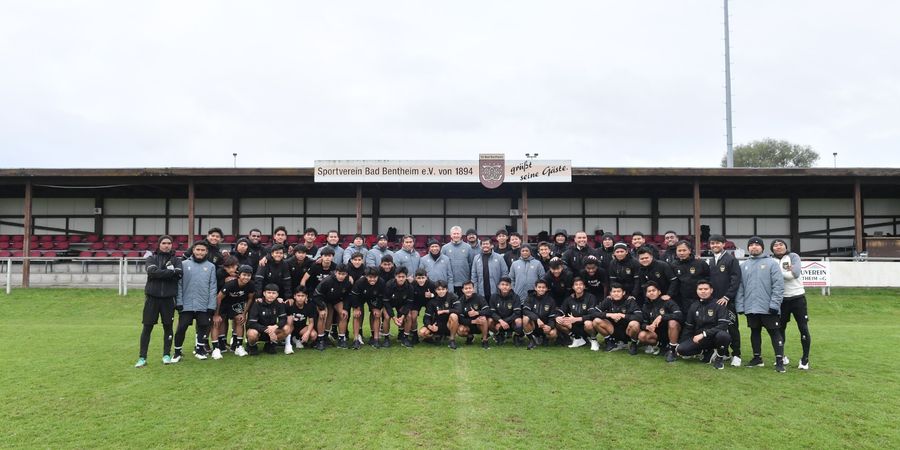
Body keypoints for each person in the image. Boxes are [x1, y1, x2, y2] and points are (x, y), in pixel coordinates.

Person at [736, 236, 786, 373]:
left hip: (768, 307)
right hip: (751, 307)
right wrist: (740, 306)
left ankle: (779, 360)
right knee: (754, 332)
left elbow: (779, 286)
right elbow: (740, 287)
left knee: (774, 332)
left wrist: (775, 304)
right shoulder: (744, 265)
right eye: (751, 245)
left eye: (757, 245)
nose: (754, 247)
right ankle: (757, 358)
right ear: (748, 248)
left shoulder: (772, 263)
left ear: (762, 248)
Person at [136, 235, 183, 368]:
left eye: (169, 243)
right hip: (152, 298)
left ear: (172, 245)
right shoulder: (151, 258)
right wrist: (170, 272)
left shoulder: (176, 259)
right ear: (159, 244)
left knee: (168, 327)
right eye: (164, 243)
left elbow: (179, 274)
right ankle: (142, 357)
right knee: (147, 327)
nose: (166, 245)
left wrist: (160, 272)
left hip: (168, 300)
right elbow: (151, 272)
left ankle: (166, 355)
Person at [172, 241, 218, 362]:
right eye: (198, 250)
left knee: (203, 327)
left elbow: (213, 287)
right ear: (193, 250)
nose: (200, 252)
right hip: (186, 304)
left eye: (203, 250)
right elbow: (179, 285)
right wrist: (179, 302)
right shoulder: (183, 264)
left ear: (206, 252)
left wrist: (211, 305)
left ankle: (200, 350)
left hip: (203, 305)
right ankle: (177, 352)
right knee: (181, 328)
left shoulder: (211, 266)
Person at [771, 239, 811, 370]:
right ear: (772, 249)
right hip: (781, 300)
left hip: (797, 298)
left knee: (803, 328)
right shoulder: (770, 260)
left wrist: (776, 274)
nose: (778, 247)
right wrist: (786, 273)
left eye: (781, 244)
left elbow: (795, 274)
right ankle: (781, 357)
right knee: (780, 329)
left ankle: (805, 359)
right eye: (775, 245)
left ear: (785, 246)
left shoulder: (793, 256)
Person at [676, 280, 732, 370]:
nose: (703, 291)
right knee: (681, 350)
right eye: (700, 289)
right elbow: (688, 327)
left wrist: (704, 334)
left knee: (723, 335)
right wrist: (680, 343)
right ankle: (707, 352)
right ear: (697, 291)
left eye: (706, 289)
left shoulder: (719, 304)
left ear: (711, 290)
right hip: (700, 339)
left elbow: (723, 325)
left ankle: (719, 357)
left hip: (715, 337)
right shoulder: (694, 306)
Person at [708, 234, 743, 366]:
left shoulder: (731, 260)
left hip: (728, 301)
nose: (714, 245)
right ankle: (724, 353)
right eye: (712, 243)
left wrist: (727, 296)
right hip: (715, 301)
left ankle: (737, 354)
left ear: (724, 244)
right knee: (718, 327)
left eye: (717, 243)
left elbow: (736, 280)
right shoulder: (711, 260)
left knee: (732, 327)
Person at [631, 281, 682, 362]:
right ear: (646, 294)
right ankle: (661, 347)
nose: (651, 293)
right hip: (657, 334)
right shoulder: (645, 306)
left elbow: (679, 315)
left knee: (673, 322)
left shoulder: (668, 301)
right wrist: (647, 326)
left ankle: (672, 350)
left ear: (659, 292)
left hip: (670, 331)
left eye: (654, 290)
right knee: (642, 335)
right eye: (649, 291)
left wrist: (662, 317)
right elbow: (642, 323)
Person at [212, 264, 254, 359]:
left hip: (235, 304)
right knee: (217, 322)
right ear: (239, 275)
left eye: (248, 275)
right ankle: (216, 349)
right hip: (223, 303)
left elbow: (250, 299)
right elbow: (219, 297)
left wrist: (244, 313)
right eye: (244, 275)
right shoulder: (231, 284)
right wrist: (216, 314)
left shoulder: (251, 284)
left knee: (240, 320)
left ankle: (238, 346)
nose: (246, 277)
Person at [311, 264, 353, 350]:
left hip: (336, 300)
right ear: (336, 272)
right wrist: (321, 308)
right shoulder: (327, 281)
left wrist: (345, 308)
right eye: (339, 273)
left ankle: (341, 339)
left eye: (343, 274)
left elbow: (348, 296)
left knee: (344, 314)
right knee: (323, 315)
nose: (341, 276)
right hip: (322, 300)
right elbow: (316, 295)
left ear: (346, 274)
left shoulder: (348, 282)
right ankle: (320, 339)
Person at [592, 283, 642, 352]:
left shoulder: (630, 301)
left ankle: (633, 343)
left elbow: (639, 317)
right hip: (612, 329)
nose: (616, 294)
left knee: (635, 324)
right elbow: (593, 313)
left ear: (623, 292)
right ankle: (609, 341)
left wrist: (623, 315)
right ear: (610, 293)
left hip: (628, 331)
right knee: (596, 321)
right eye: (614, 291)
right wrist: (609, 315)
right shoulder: (608, 300)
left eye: (618, 291)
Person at [556, 278, 600, 350]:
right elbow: (560, 311)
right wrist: (557, 317)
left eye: (580, 284)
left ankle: (594, 340)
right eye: (576, 285)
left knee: (588, 323)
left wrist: (576, 319)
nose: (578, 286)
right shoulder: (569, 299)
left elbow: (593, 315)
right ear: (573, 287)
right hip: (574, 326)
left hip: (587, 325)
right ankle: (577, 339)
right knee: (559, 322)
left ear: (584, 286)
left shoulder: (591, 297)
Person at [246, 284, 289, 355]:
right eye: (269, 293)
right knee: (252, 333)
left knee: (287, 328)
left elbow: (283, 319)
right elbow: (251, 323)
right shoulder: (257, 303)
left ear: (277, 294)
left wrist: (275, 327)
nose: (271, 295)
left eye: (273, 293)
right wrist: (268, 330)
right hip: (259, 331)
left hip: (272, 330)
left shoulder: (279, 303)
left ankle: (270, 344)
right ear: (264, 293)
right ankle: (252, 346)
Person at [418, 280, 462, 349]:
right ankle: (434, 338)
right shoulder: (432, 301)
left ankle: (452, 340)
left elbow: (459, 310)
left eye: (443, 289)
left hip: (449, 324)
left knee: (454, 316)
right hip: (437, 325)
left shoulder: (452, 297)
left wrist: (444, 311)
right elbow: (426, 317)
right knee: (422, 332)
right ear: (435, 290)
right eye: (439, 289)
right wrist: (430, 326)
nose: (441, 291)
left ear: (446, 289)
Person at [350, 267, 386, 349]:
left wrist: (377, 308)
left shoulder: (381, 282)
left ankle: (375, 339)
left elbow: (382, 297)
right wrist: (356, 308)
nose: (372, 279)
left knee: (376, 315)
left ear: (378, 276)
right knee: (357, 315)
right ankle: (356, 340)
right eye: (370, 277)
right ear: (366, 276)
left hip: (373, 298)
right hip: (360, 298)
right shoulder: (360, 282)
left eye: (375, 277)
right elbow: (354, 296)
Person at [670, 240, 710, 313]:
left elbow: (708, 279)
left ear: (690, 250)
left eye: (684, 250)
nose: (682, 253)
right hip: (681, 300)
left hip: (699, 298)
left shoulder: (701, 263)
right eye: (679, 250)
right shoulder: (673, 265)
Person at [382, 266, 415, 347]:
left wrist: (402, 316)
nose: (401, 279)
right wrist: (393, 317)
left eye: (403, 277)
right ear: (395, 276)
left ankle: (405, 338)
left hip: (402, 304)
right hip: (389, 303)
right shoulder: (389, 285)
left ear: (406, 277)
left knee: (409, 316)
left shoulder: (410, 287)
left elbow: (409, 303)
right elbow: (386, 302)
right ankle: (386, 338)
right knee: (386, 317)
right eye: (399, 276)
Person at [522, 279, 558, 349]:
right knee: (525, 319)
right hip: (534, 325)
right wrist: (537, 319)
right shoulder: (530, 297)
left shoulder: (551, 300)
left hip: (545, 325)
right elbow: (526, 311)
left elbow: (552, 317)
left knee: (553, 334)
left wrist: (550, 326)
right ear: (535, 288)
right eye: (539, 287)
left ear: (546, 289)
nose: (541, 289)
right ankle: (532, 341)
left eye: (543, 287)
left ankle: (545, 338)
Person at [488, 277, 523, 346]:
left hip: (511, 321)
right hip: (499, 322)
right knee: (489, 321)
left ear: (510, 286)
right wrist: (501, 321)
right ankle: (499, 335)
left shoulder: (516, 297)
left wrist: (505, 321)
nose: (504, 287)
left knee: (519, 321)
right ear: (499, 286)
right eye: (502, 284)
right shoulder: (493, 297)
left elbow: (517, 313)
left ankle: (517, 336)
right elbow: (492, 313)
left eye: (507, 285)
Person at [457, 281, 491, 349]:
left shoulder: (479, 297)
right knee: (460, 330)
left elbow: (488, 311)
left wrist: (477, 313)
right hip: (469, 324)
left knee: (483, 318)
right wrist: (473, 321)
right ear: (463, 290)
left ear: (473, 289)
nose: (468, 290)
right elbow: (460, 318)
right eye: (466, 288)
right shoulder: (460, 301)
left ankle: (485, 340)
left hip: (480, 324)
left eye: (470, 288)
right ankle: (470, 336)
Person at [441, 226, 473, 296]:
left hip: (464, 282)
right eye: (454, 234)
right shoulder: (445, 248)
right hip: (450, 282)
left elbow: (471, 264)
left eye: (458, 234)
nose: (456, 235)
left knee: (463, 303)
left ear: (461, 235)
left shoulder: (468, 247)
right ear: (451, 235)